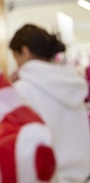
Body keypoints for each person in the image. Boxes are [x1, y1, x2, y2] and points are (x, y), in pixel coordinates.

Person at [9, 24, 90, 183]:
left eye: (16, 58)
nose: (16, 64)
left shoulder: (23, 90)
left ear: (24, 52)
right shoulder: (72, 86)